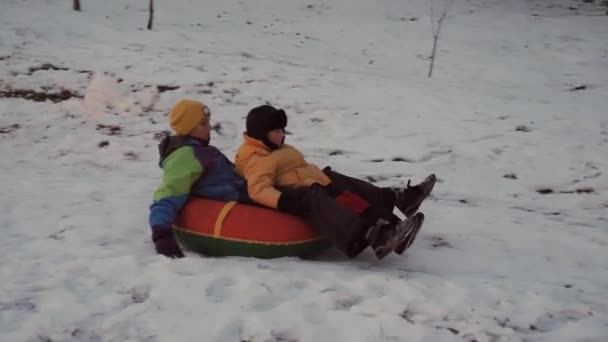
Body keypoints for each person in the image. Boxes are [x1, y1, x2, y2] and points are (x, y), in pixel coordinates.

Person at [234, 105, 436, 259]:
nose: (282, 135)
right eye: (276, 131)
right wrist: (284, 201)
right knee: (321, 198)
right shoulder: (256, 158)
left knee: (339, 183)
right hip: (298, 195)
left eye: (282, 130)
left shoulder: (275, 149)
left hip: (313, 182)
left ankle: (395, 205)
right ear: (261, 133)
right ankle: (376, 235)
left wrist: (322, 178)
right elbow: (258, 189)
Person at [148, 99, 250, 258]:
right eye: (203, 124)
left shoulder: (200, 149)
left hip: (240, 190)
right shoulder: (185, 156)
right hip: (235, 197)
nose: (209, 127)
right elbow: (168, 194)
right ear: (188, 128)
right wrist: (162, 236)